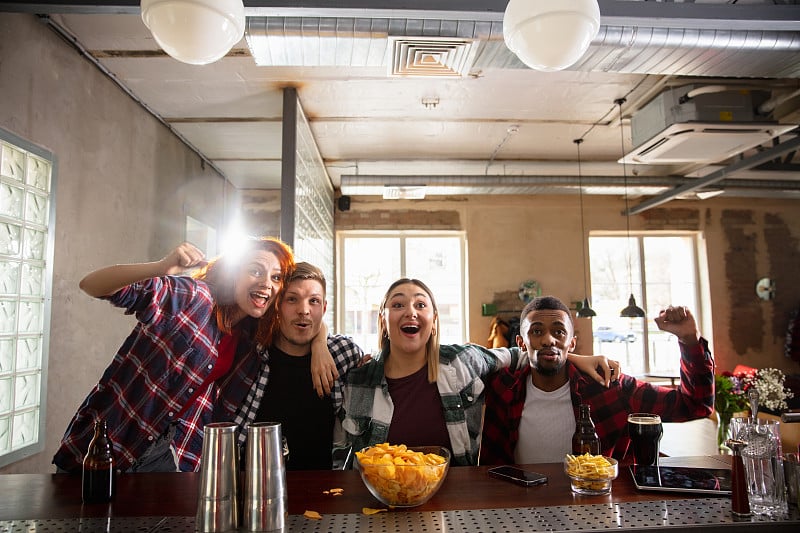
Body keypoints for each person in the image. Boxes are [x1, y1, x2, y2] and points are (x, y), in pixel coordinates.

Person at [53, 238, 296, 473]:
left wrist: (320, 342)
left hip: (169, 453)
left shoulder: (250, 338)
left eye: (276, 277)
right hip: (110, 439)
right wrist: (161, 268)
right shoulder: (195, 297)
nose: (267, 283)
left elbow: (304, 322)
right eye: (255, 271)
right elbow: (92, 285)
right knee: (79, 515)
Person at [341, 278, 619, 466]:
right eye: (398, 304)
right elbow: (344, 458)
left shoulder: (463, 361)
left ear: (434, 321)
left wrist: (573, 357)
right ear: (383, 319)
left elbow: (520, 355)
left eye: (421, 304)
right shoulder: (359, 379)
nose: (410, 312)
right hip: (376, 509)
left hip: (452, 508)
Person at [479, 296, 715, 465]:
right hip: (520, 509)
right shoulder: (502, 388)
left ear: (572, 342)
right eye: (537, 332)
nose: (549, 339)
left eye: (559, 332)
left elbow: (695, 405)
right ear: (521, 343)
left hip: (599, 510)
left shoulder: (609, 387)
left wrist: (689, 340)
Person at [249, 262, 364, 470]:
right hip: (256, 489)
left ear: (324, 308)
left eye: (314, 301)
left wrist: (321, 343)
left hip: (325, 493)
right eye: (292, 299)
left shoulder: (343, 354)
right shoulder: (253, 353)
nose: (304, 310)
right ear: (277, 305)